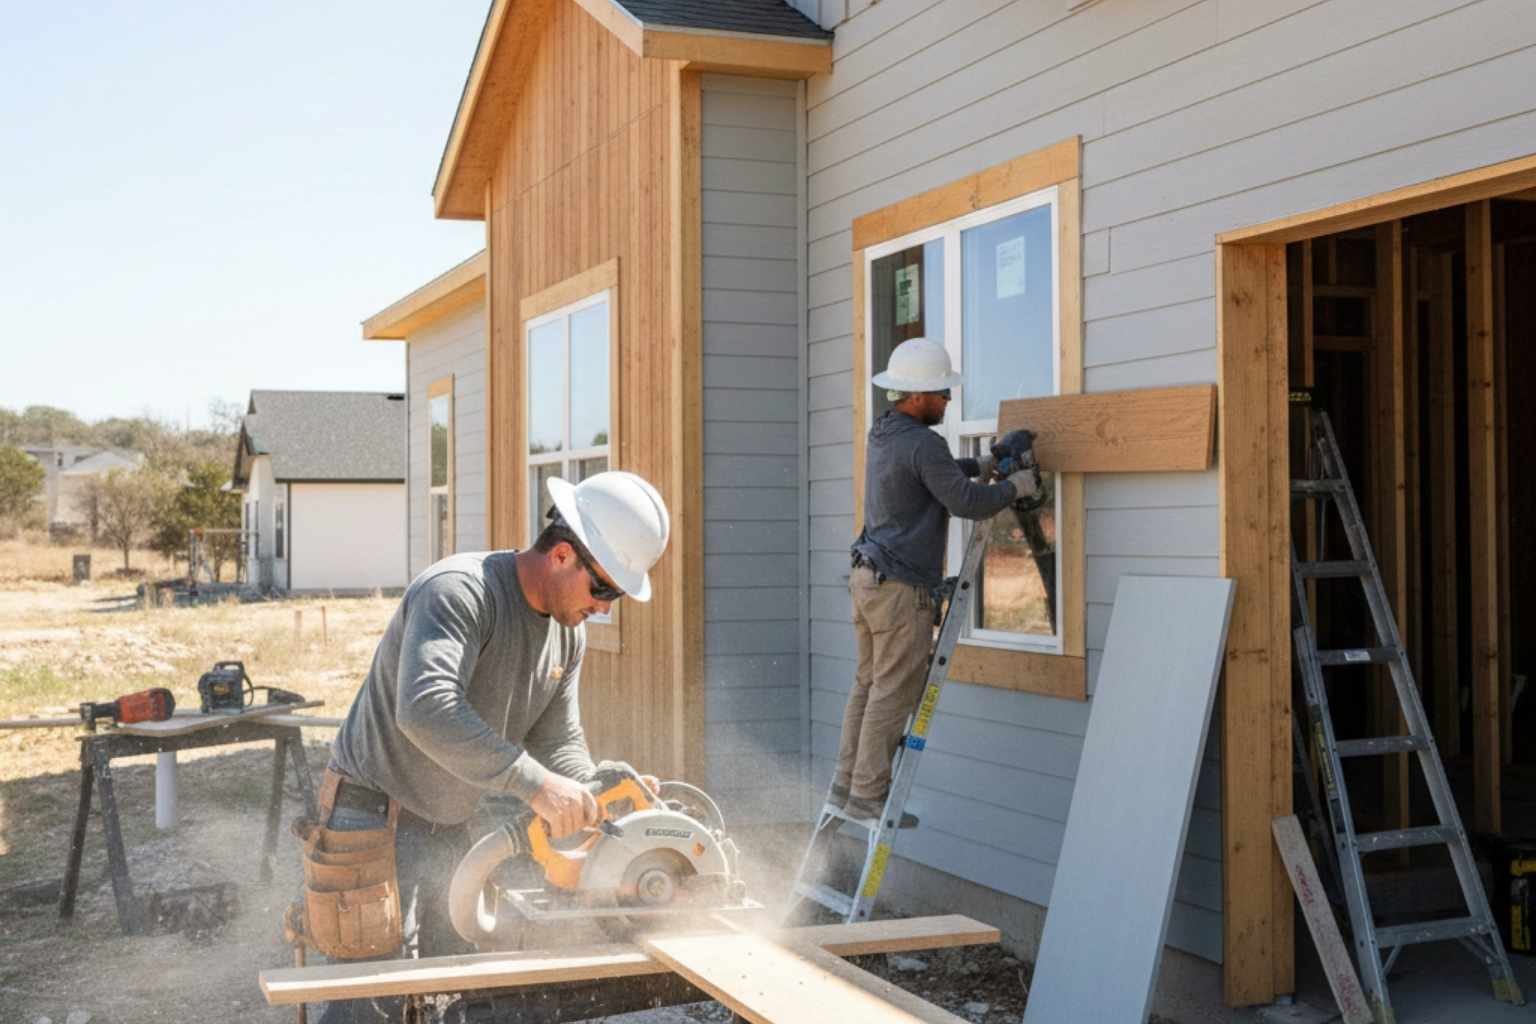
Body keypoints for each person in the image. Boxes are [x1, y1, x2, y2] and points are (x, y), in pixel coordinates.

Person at [307, 470, 670, 1023]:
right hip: (372, 812)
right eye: (604, 589)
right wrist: (536, 786)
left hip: (450, 819)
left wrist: (599, 793)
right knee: (369, 1003)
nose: (605, 606)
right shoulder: (459, 591)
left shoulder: (566, 632)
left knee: (453, 988)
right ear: (563, 555)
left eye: (616, 595)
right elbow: (424, 708)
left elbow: (557, 741)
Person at [833, 338, 1039, 824]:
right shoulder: (924, 442)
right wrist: (1015, 487)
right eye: (942, 393)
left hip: (868, 579)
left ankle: (847, 783)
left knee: (868, 683)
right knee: (894, 689)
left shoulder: (884, 433)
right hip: (900, 588)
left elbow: (932, 476)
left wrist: (983, 467)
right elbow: (963, 501)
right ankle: (868, 795)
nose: (948, 400)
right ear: (918, 394)